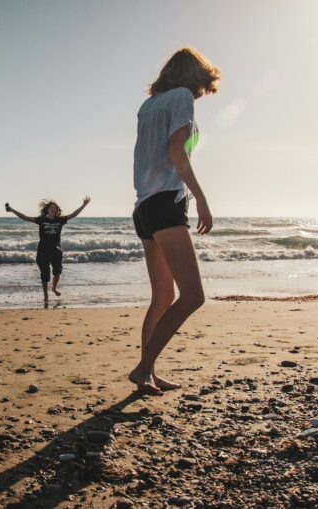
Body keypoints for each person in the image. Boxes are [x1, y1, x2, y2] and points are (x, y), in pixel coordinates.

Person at [128, 47, 219, 395]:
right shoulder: (181, 97)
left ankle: (148, 372)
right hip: (166, 202)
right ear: (193, 76)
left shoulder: (148, 105)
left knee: (162, 296)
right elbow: (176, 150)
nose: (201, 93)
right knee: (193, 295)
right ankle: (143, 368)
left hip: (144, 207)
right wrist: (200, 197)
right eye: (203, 85)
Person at [6, 197, 91, 302]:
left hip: (56, 250)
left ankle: (54, 288)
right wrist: (12, 210)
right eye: (51, 207)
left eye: (55, 208)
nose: (53, 209)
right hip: (43, 251)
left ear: (56, 210)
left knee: (57, 272)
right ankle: (45, 295)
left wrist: (84, 205)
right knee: (45, 274)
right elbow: (25, 217)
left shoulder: (60, 220)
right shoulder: (41, 220)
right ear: (47, 210)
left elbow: (74, 214)